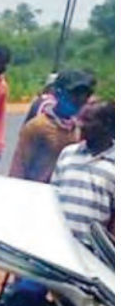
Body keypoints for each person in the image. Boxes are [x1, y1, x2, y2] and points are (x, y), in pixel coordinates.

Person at [8, 70, 95, 183]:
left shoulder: (78, 130)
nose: (79, 100)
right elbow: (19, 165)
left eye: (83, 95)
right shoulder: (38, 126)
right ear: (58, 93)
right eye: (74, 94)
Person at [50, 101, 115, 248]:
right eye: (80, 119)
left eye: (88, 120)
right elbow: (52, 196)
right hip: (57, 243)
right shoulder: (68, 154)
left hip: (91, 251)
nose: (80, 124)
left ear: (107, 125)